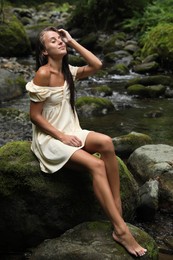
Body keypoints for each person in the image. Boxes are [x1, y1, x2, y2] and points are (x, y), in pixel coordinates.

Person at [26, 26, 147, 257]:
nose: (60, 42)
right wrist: (61, 136)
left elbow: (97, 65)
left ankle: (117, 210)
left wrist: (72, 41)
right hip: (50, 138)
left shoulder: (68, 71)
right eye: (54, 40)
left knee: (107, 143)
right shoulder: (43, 74)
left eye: (61, 39)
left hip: (72, 130)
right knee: (96, 164)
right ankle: (121, 230)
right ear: (44, 51)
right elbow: (35, 116)